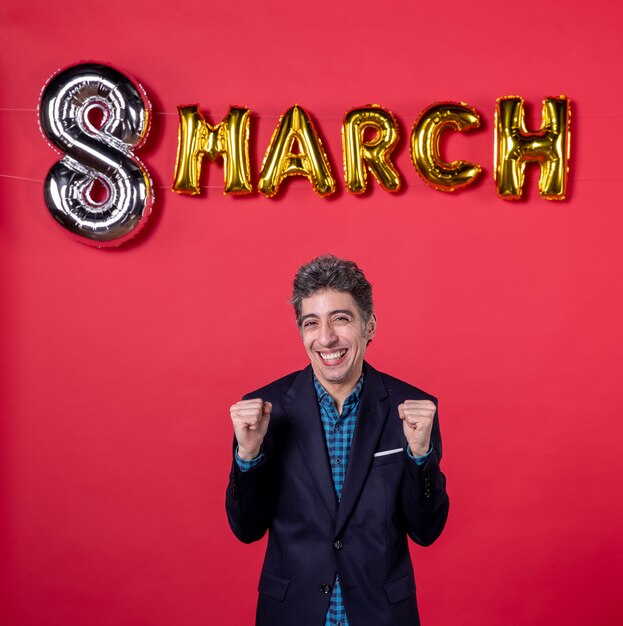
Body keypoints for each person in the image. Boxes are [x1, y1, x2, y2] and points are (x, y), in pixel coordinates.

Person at [226, 255, 449, 626]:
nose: (326, 337)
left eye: (341, 319)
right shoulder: (266, 409)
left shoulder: (411, 409)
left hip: (381, 615)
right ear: (301, 333)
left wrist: (420, 454)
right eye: (312, 323)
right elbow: (246, 529)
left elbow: (426, 531)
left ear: (370, 325)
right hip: (291, 614)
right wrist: (248, 455)